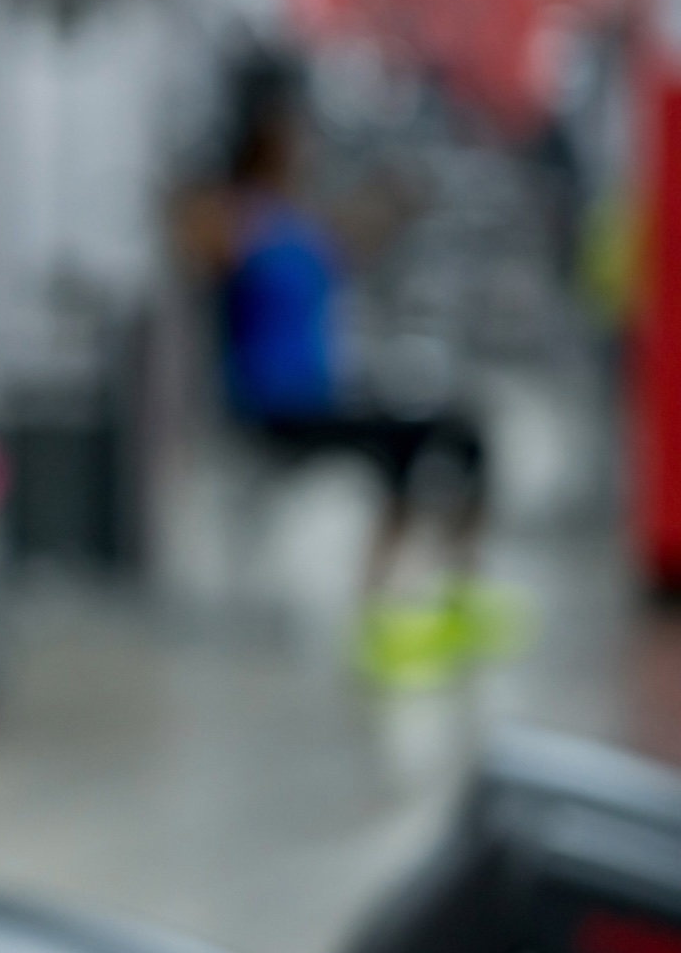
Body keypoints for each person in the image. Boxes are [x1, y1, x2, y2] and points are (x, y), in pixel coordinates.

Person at [178, 63, 509, 687]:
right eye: (289, 137)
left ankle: (457, 587)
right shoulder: (235, 220)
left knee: (463, 430)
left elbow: (361, 228)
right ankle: (378, 606)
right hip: (276, 405)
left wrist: (401, 194)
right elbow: (193, 233)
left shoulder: (301, 222)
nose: (301, 148)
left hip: (323, 394)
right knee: (398, 444)